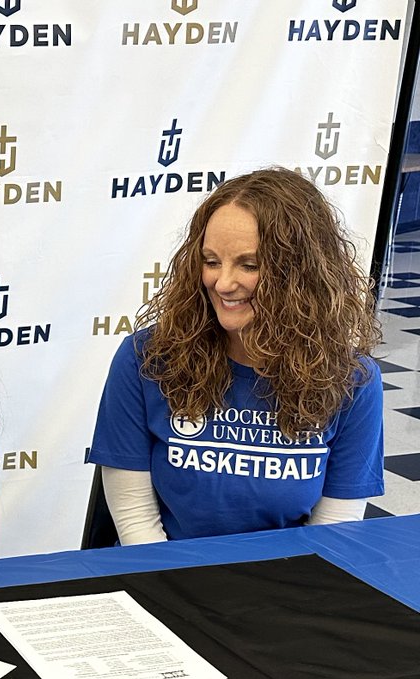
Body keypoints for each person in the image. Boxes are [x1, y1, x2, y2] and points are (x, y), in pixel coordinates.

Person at [89, 167, 384, 544]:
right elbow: (134, 519)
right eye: (211, 261)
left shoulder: (353, 380)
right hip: (162, 567)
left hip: (287, 572)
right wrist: (173, 578)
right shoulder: (145, 358)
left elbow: (334, 528)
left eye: (249, 265)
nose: (223, 283)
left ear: (302, 274)